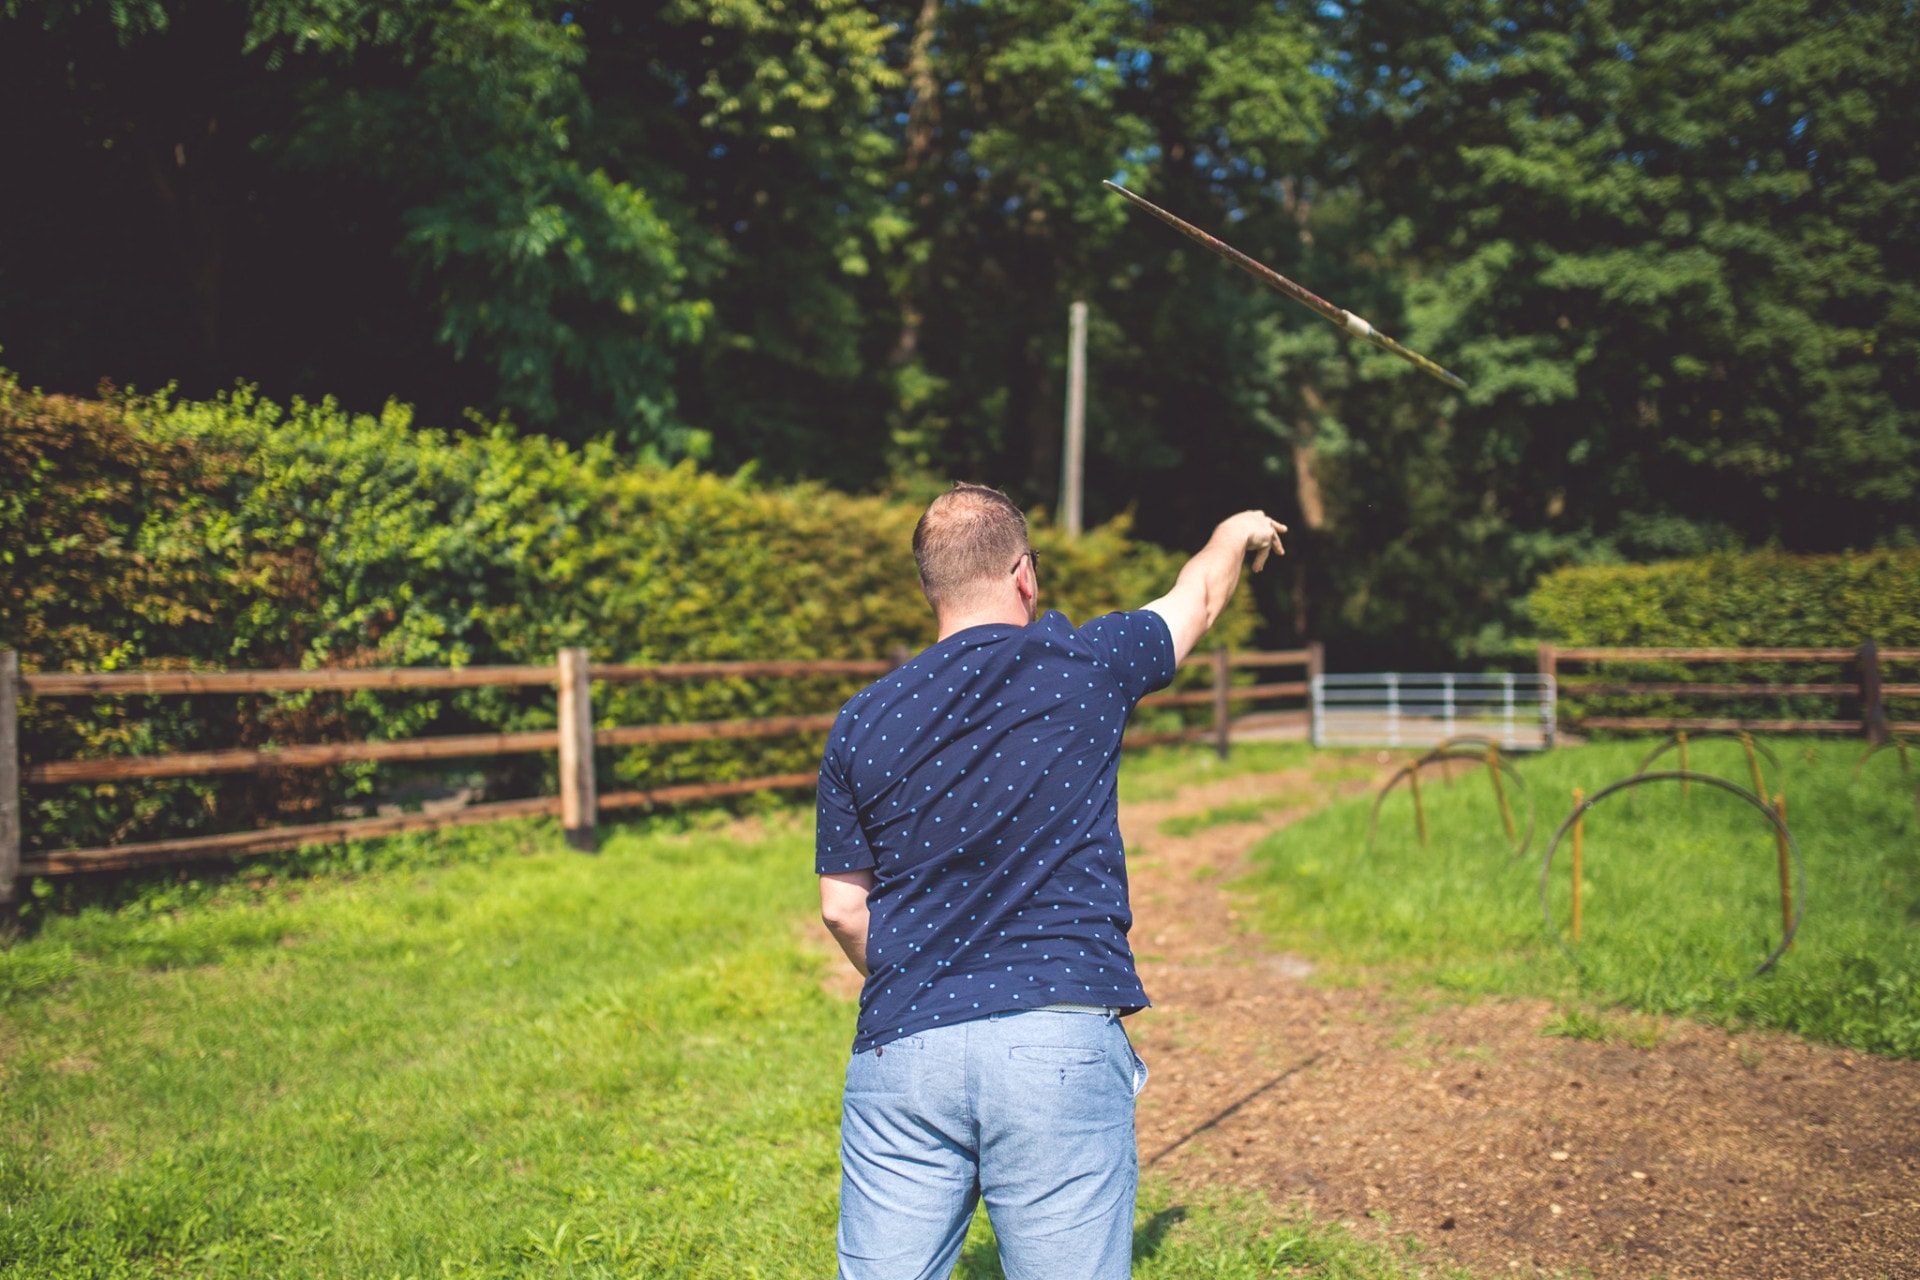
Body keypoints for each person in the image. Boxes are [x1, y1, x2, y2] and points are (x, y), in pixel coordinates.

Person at [815, 483, 1287, 1280]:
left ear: (930, 587)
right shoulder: (1086, 662)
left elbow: (840, 910)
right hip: (1056, 1045)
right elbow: (1198, 596)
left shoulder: (864, 717)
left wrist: (921, 981)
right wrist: (1236, 531)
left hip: (903, 1049)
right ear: (1024, 575)